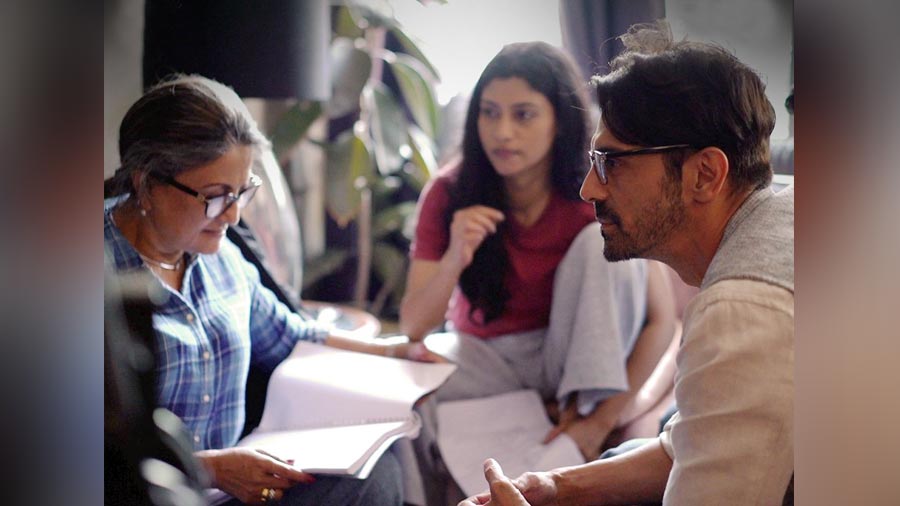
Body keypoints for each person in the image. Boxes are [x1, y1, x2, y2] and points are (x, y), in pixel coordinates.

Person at [460, 20, 793, 506]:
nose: (588, 189)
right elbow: (692, 442)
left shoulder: (741, 312)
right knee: (640, 447)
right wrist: (558, 486)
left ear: (704, 174)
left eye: (611, 163)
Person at [103, 74, 430, 505]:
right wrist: (213, 468)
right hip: (151, 495)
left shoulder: (222, 255)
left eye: (243, 192)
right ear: (146, 183)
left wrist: (397, 352)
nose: (234, 216)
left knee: (376, 471)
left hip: (235, 490)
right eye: (216, 196)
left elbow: (291, 337)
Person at [399, 41, 676, 504]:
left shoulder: (594, 188)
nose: (502, 132)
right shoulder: (449, 191)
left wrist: (602, 422)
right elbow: (413, 327)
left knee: (598, 241)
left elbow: (661, 320)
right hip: (487, 357)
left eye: (523, 115)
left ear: (559, 120)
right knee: (404, 386)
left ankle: (575, 421)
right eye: (489, 113)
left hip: (575, 355)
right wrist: (455, 255)